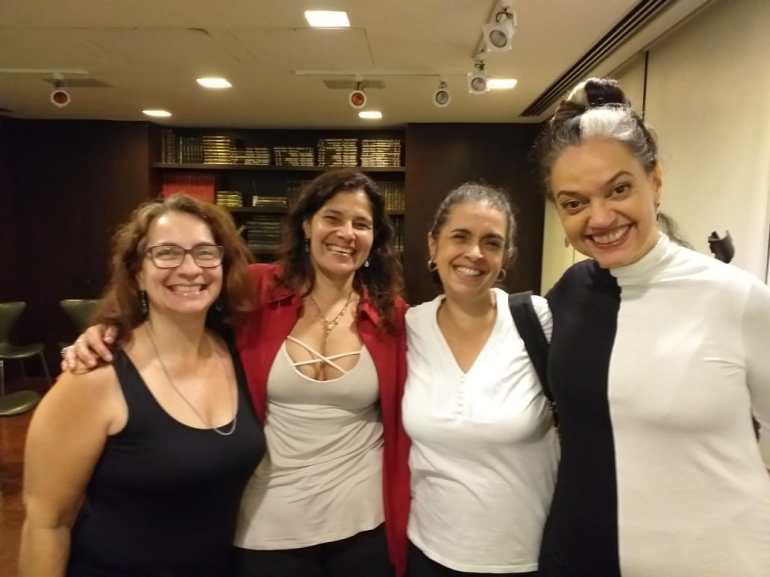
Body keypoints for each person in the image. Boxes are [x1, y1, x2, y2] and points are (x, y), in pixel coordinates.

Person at [62, 168, 411, 577]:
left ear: (375, 238)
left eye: (361, 224)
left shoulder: (392, 316)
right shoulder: (257, 288)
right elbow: (182, 295)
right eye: (332, 218)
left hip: (365, 526)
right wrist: (111, 328)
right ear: (306, 225)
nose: (346, 233)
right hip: (265, 525)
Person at [532, 78, 770, 577]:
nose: (600, 217)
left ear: (655, 180)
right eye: (574, 203)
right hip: (580, 557)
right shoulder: (569, 294)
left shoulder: (735, 298)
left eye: (619, 189)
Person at [19, 194, 265, 577]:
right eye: (166, 253)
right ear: (137, 272)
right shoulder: (94, 377)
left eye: (205, 252)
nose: (189, 269)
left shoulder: (241, 353)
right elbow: (46, 525)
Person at [403, 183, 559, 577]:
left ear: (505, 257)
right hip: (427, 552)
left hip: (525, 558)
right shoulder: (409, 327)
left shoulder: (538, 320)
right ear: (433, 244)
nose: (474, 253)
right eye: (460, 236)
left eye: (491, 243)